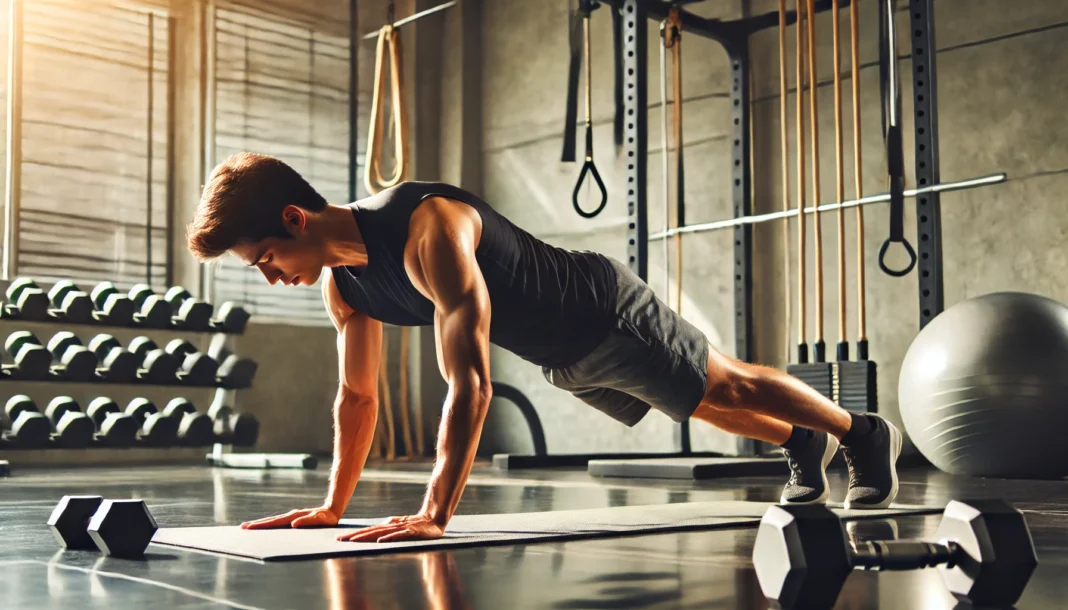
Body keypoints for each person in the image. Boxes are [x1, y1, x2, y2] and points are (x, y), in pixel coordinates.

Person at [186, 152, 902, 543]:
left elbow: (470, 385)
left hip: (597, 310)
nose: (271, 277)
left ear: (293, 217)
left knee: (726, 386)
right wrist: (334, 506)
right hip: (562, 354)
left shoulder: (427, 226)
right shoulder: (342, 288)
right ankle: (800, 443)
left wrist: (436, 511)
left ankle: (860, 434)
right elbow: (358, 396)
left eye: (264, 259)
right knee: (697, 403)